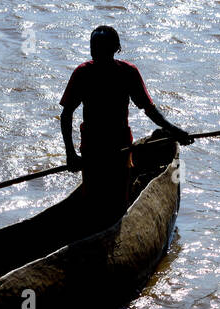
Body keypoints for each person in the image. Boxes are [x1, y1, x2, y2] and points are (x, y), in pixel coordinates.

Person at [59, 26, 192, 224]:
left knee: (117, 200)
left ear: (115, 50)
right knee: (94, 199)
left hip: (119, 146)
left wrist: (174, 131)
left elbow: (149, 109)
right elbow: (66, 114)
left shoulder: (126, 73)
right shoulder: (83, 73)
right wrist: (70, 154)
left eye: (102, 50)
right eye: (95, 49)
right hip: (93, 148)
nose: (98, 54)